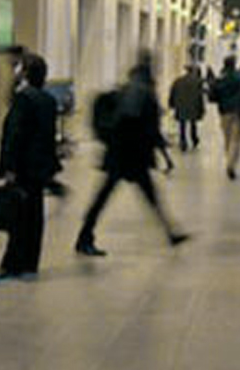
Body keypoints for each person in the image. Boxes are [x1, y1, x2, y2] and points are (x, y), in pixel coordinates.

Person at [76, 51, 188, 256]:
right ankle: (84, 237)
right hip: (130, 157)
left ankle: (170, 232)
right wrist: (160, 151)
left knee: (115, 197)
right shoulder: (140, 91)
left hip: (123, 155)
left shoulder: (133, 88)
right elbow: (135, 122)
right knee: (113, 197)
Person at [0, 53, 59, 281]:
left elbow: (14, 136)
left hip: (22, 167)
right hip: (39, 167)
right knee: (34, 216)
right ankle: (30, 263)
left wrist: (8, 166)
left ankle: (11, 264)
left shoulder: (23, 99)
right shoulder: (48, 100)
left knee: (18, 218)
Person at [210, 56, 240, 179]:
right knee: (236, 140)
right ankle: (231, 164)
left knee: (227, 138)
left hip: (224, 112)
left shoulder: (221, 78)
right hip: (238, 112)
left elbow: (212, 96)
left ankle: (229, 160)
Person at [169, 61, 206, 151]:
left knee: (182, 124)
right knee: (193, 123)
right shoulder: (198, 81)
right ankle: (194, 139)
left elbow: (173, 93)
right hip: (193, 105)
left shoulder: (178, 81)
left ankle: (183, 141)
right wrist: (202, 108)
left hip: (181, 105)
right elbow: (200, 96)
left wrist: (171, 104)